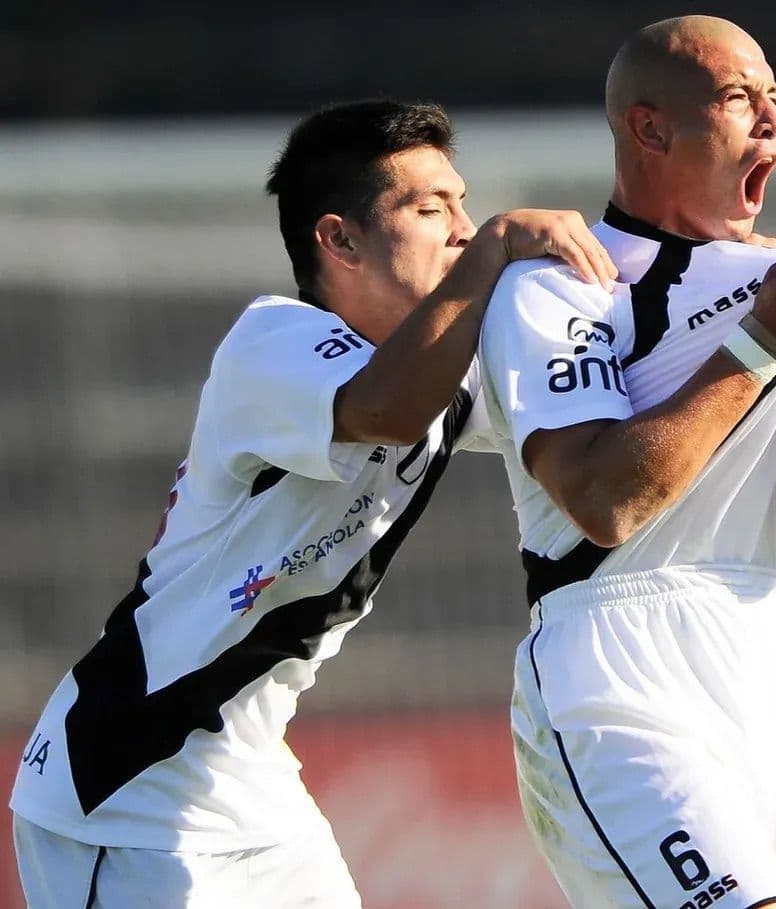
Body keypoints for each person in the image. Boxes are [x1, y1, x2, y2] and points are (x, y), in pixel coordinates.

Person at [9, 99, 617, 908]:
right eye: (432, 208)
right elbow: (386, 408)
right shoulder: (271, 343)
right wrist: (503, 245)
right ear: (339, 239)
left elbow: (583, 417)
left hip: (257, 792)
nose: (465, 228)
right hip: (126, 795)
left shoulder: (445, 373)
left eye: (466, 206)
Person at [479, 15, 776, 909]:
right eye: (738, 98)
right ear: (650, 129)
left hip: (759, 653)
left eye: (775, 97)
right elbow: (606, 501)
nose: (769, 119)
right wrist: (762, 341)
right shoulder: (562, 285)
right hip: (612, 666)